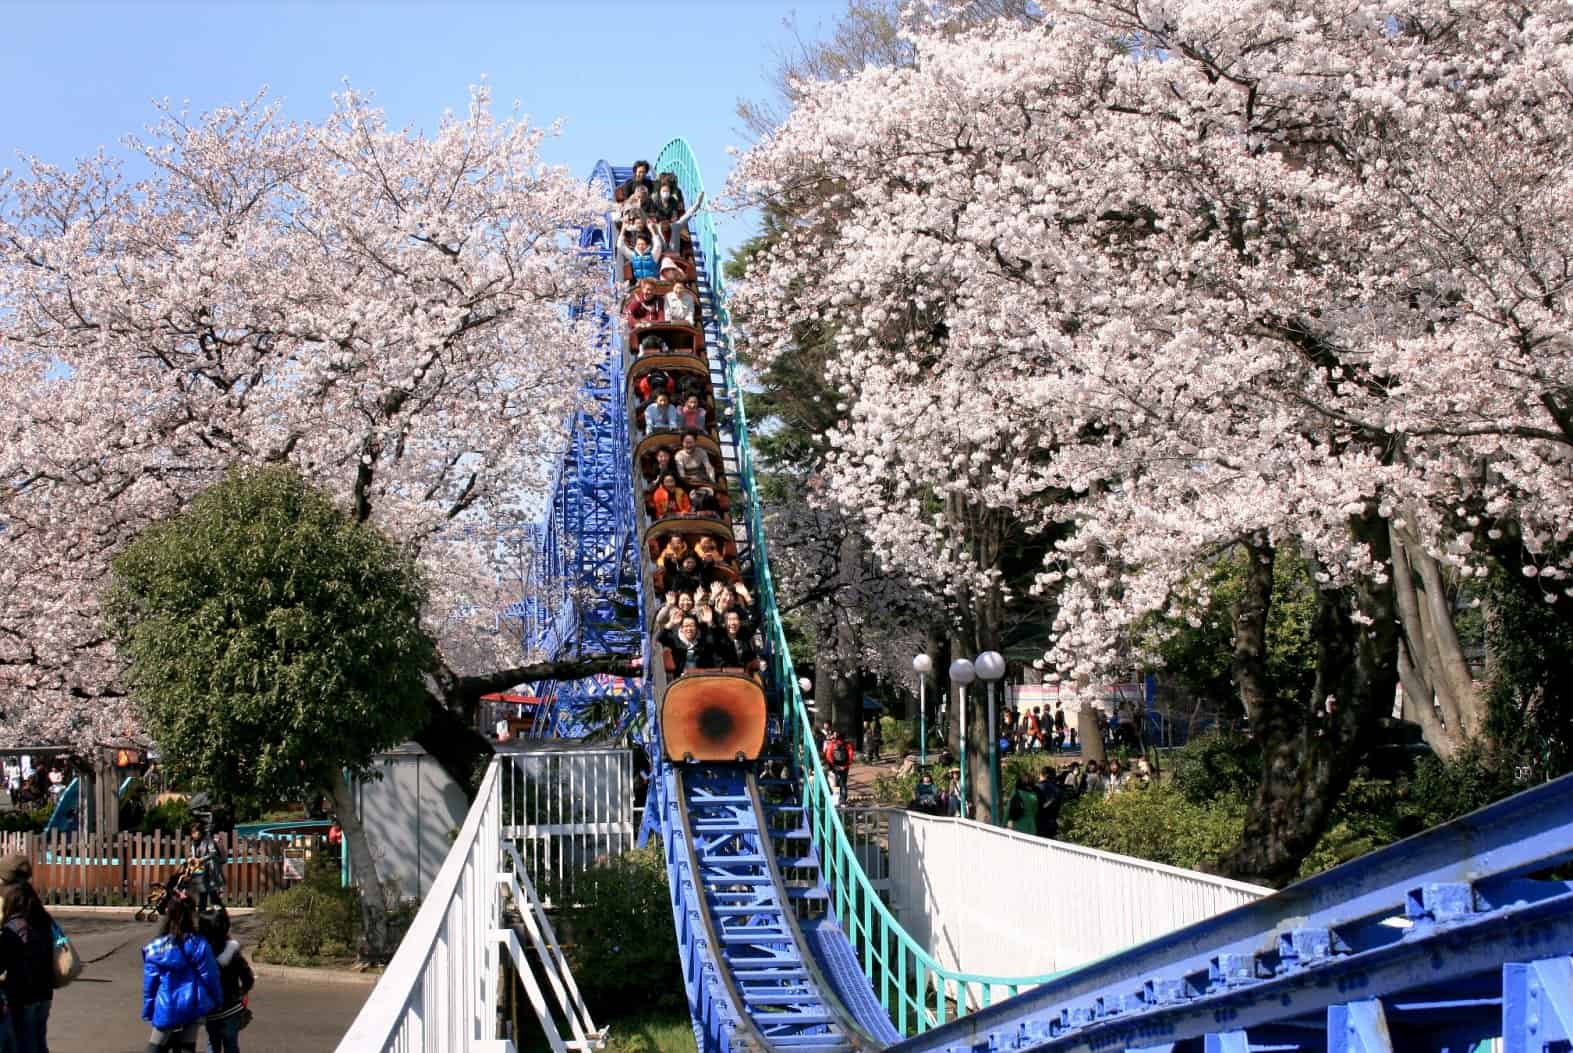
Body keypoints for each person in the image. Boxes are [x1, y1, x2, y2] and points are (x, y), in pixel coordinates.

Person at [143, 896, 223, 1053]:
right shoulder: (199, 944)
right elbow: (211, 977)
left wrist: (149, 1008)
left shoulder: (155, 947)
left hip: (166, 1005)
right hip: (193, 1003)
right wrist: (217, 1000)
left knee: (155, 1046)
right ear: (191, 915)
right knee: (187, 1046)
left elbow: (150, 984)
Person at [0, 857, 54, 1053]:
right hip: (44, 993)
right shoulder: (41, 918)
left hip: (23, 996)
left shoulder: (14, 927)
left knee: (25, 1045)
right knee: (39, 1042)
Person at [199, 909, 253, 1053]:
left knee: (212, 1044)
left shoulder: (201, 953)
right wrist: (242, 992)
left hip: (210, 1011)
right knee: (231, 1045)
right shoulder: (232, 950)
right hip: (231, 1008)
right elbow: (248, 977)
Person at [187, 819, 226, 913]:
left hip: (210, 870)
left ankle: (220, 914)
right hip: (200, 871)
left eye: (195, 832)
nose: (193, 834)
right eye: (192, 832)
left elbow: (213, 853)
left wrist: (201, 859)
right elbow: (193, 854)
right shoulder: (193, 843)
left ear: (200, 832)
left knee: (212, 892)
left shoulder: (208, 840)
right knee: (203, 892)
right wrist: (191, 859)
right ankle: (202, 913)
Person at [824, 732, 853, 803]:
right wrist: (846, 765)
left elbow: (828, 756)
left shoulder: (832, 745)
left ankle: (836, 799)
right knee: (843, 783)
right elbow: (851, 755)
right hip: (845, 767)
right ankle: (844, 799)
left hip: (836, 766)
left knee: (836, 783)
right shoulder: (847, 745)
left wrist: (834, 765)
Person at [1035, 767, 1063, 839]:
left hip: (1039, 823)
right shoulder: (1058, 789)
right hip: (1052, 822)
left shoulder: (1036, 788)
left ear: (1044, 775)